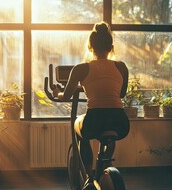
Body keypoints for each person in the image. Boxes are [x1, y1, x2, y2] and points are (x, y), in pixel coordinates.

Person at [53, 21, 130, 177]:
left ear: (90, 46)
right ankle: (106, 161)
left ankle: (88, 175)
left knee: (79, 129)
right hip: (120, 121)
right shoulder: (121, 67)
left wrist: (57, 94)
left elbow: (66, 96)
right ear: (111, 47)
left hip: (95, 120)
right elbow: (121, 94)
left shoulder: (81, 68)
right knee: (110, 131)